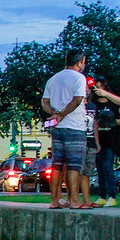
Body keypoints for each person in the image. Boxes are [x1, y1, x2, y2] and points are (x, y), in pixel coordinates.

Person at [41, 49, 89, 209]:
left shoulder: (53, 79)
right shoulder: (79, 78)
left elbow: (44, 102)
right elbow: (77, 100)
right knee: (74, 165)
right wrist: (61, 114)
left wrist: (54, 114)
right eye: (83, 62)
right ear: (80, 61)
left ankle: (54, 200)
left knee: (57, 165)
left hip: (57, 128)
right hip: (75, 126)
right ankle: (74, 200)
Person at [91, 77, 120, 206]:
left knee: (107, 166)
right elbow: (94, 123)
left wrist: (111, 121)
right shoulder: (95, 104)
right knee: (99, 168)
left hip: (112, 140)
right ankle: (102, 195)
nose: (98, 90)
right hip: (100, 139)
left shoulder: (113, 104)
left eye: (101, 87)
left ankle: (112, 195)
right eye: (96, 87)